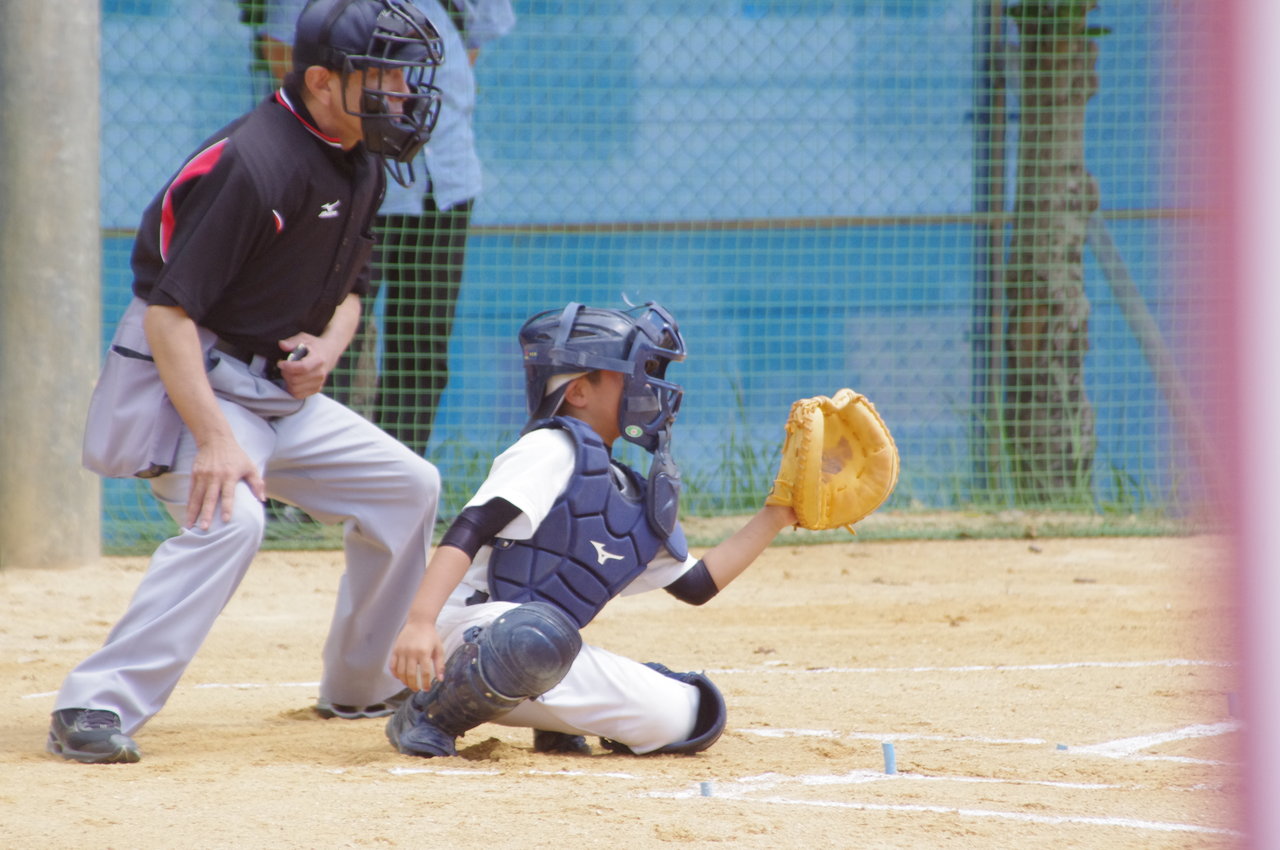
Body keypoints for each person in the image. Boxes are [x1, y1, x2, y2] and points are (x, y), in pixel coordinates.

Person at [47, 0, 448, 765]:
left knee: (409, 485)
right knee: (231, 520)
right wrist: (214, 440)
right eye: (385, 73)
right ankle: (94, 702)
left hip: (278, 394)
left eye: (405, 73)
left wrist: (328, 346)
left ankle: (362, 684)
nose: (402, 91)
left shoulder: (360, 153)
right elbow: (168, 315)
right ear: (324, 82)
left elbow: (355, 287)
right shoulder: (253, 160)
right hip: (190, 384)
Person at [383, 302, 798, 759]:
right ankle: (430, 716)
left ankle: (557, 720)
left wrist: (777, 514)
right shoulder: (549, 448)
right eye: (637, 373)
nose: (651, 387)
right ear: (579, 391)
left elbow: (697, 585)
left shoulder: (626, 491)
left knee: (689, 714)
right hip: (458, 642)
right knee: (535, 634)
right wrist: (419, 623)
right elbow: (471, 528)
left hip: (536, 657)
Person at [262, 0, 515, 452]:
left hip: (446, 181)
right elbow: (281, 50)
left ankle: (398, 473)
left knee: (422, 344)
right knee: (327, 333)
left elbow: (467, 47)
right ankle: (313, 479)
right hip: (349, 176)